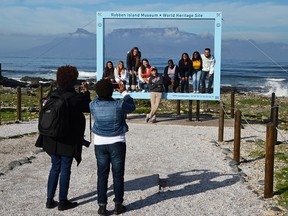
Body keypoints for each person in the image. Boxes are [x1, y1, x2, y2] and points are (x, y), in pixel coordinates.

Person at [35, 65, 91, 211]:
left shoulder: (52, 95)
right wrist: (86, 92)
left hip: (51, 137)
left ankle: (49, 199)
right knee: (65, 168)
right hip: (68, 138)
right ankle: (63, 201)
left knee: (55, 167)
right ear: (74, 80)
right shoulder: (75, 97)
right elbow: (87, 106)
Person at [90, 79, 136, 215]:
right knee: (118, 174)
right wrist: (124, 92)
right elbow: (131, 106)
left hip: (100, 142)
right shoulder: (119, 105)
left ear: (97, 92)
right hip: (117, 141)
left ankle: (102, 206)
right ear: (112, 91)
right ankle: (118, 205)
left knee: (102, 174)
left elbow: (96, 98)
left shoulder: (93, 105)